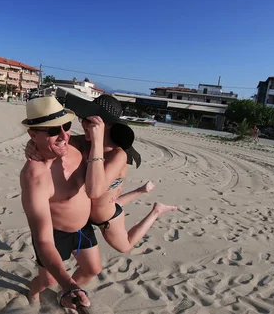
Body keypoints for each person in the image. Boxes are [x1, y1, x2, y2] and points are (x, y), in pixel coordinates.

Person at [26, 94, 176, 254]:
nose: (84, 124)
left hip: (106, 216)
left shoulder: (118, 155)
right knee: (114, 200)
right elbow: (55, 141)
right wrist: (32, 144)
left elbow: (94, 192)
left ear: (108, 125)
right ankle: (142, 190)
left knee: (125, 246)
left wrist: (97, 142)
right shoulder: (84, 142)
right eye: (83, 119)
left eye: (91, 122)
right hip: (88, 213)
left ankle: (156, 211)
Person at [19, 96, 101, 311]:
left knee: (92, 269)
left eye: (66, 126)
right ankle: (33, 291)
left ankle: (68, 291)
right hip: (55, 233)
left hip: (83, 227)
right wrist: (67, 284)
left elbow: (113, 145)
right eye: (54, 130)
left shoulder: (77, 146)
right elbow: (43, 240)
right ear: (32, 134)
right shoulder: (35, 177)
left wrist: (72, 286)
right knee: (48, 282)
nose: (64, 135)